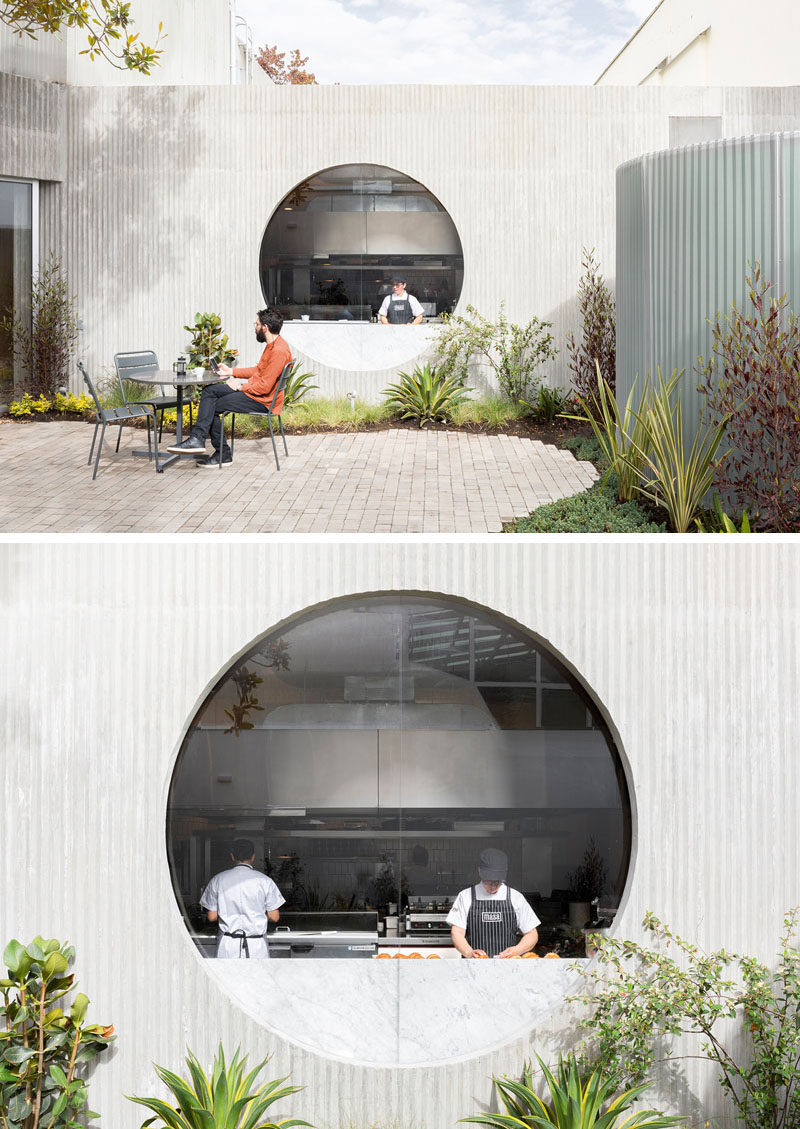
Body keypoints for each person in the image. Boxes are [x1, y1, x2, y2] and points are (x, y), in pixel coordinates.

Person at [167, 308, 292, 466]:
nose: (255, 327)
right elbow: (258, 371)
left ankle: (219, 452)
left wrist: (239, 386)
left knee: (210, 406)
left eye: (257, 324)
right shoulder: (273, 345)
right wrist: (231, 371)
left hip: (263, 400)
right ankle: (199, 440)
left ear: (265, 327)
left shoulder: (279, 351)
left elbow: (265, 387)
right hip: (256, 392)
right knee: (209, 391)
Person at [446, 848, 539, 959]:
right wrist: (469, 952)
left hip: (508, 967)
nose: (493, 886)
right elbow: (457, 932)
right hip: (473, 967)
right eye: (488, 881)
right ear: (479, 872)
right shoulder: (465, 896)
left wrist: (517, 950)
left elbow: (532, 934)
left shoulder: (516, 898)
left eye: (497, 882)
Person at [199, 838, 285, 958]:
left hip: (228, 945)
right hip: (256, 945)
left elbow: (211, 917)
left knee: (226, 977)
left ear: (232, 856)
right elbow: (274, 917)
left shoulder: (217, 880)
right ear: (253, 857)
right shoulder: (265, 881)